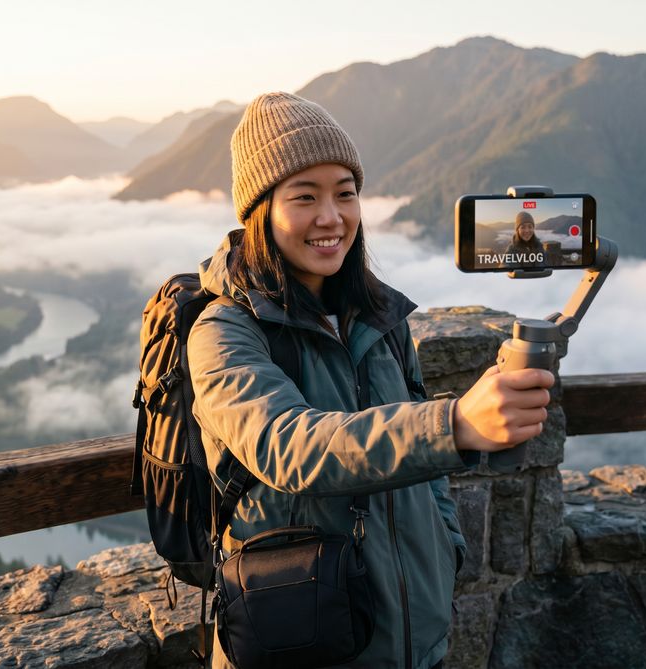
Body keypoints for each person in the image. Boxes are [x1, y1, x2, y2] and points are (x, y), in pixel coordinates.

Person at [188, 92, 554, 669]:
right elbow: (290, 447)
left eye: (346, 193)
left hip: (413, 637)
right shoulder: (224, 331)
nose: (331, 217)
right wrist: (454, 423)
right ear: (260, 210)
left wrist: (444, 547)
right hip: (301, 639)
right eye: (304, 197)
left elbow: (412, 424)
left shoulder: (378, 317)